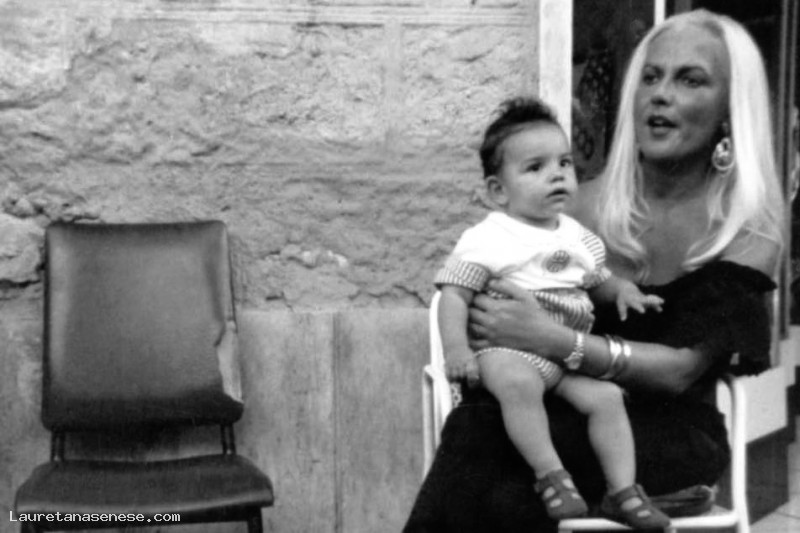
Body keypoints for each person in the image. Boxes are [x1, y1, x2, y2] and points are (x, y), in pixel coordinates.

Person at [405, 8, 784, 533]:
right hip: (564, 408)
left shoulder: (748, 228)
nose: (660, 94)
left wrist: (557, 340)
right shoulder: (574, 212)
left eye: (690, 80)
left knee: (487, 443)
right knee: (498, 451)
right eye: (650, 77)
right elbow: (492, 313)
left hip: (670, 436)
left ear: (729, 108)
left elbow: (680, 370)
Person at [435, 96, 668, 528]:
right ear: (498, 191)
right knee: (517, 384)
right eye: (535, 167)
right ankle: (551, 476)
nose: (557, 174)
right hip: (507, 351)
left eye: (564, 163)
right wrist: (456, 350)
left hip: (564, 357)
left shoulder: (576, 235)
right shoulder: (488, 237)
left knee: (607, 398)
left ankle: (623, 491)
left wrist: (621, 290)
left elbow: (595, 279)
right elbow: (454, 295)